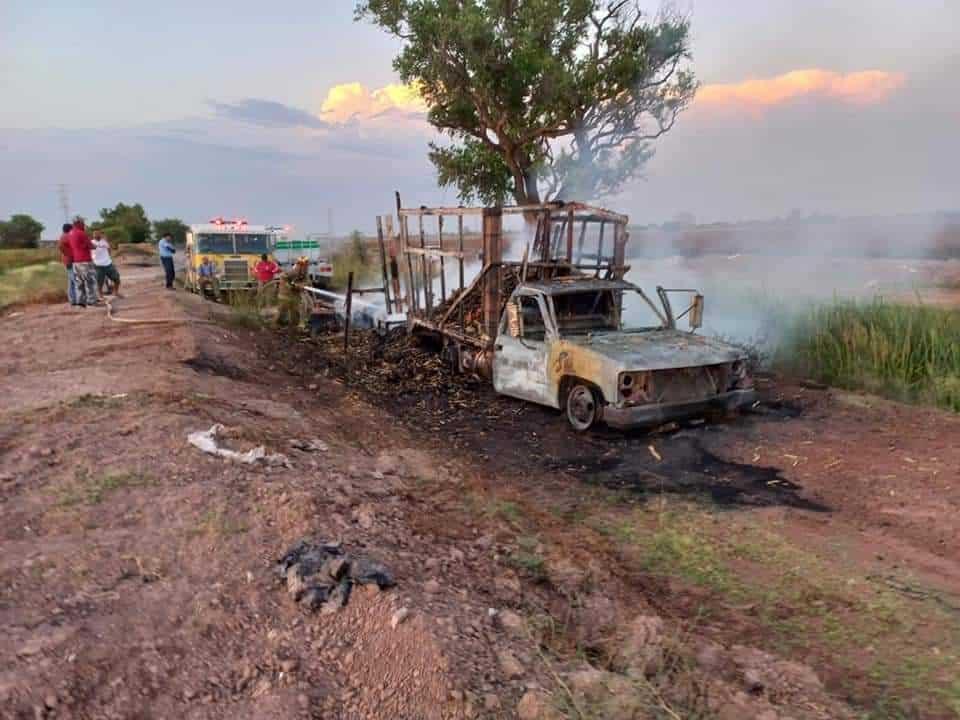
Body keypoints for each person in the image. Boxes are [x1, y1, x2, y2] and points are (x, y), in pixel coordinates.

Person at [68, 219, 98, 307]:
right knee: (90, 281)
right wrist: (94, 246)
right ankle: (91, 300)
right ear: (79, 224)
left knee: (79, 282)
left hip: (76, 262)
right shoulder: (82, 233)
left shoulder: (70, 233)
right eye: (83, 224)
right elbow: (91, 245)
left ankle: (81, 301)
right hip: (85, 261)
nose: (84, 225)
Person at [277, 256, 309, 330]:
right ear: (300, 264)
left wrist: (302, 285)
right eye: (304, 264)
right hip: (286, 291)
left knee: (305, 304)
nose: (306, 266)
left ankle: (301, 323)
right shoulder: (293, 271)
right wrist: (290, 286)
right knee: (284, 308)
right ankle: (279, 322)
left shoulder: (305, 270)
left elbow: (307, 280)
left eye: (306, 264)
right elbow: (282, 277)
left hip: (297, 291)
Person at [92, 230, 122, 298]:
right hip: (98, 265)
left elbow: (109, 249)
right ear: (93, 235)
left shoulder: (104, 241)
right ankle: (101, 295)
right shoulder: (92, 242)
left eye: (98, 233)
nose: (96, 235)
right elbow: (92, 249)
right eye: (95, 234)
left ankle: (116, 292)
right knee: (100, 282)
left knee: (116, 278)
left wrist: (109, 257)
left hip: (108, 263)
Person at [57, 223, 77, 306]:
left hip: (68, 261)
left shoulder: (63, 236)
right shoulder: (66, 236)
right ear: (70, 229)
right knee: (75, 280)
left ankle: (72, 300)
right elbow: (60, 247)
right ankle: (76, 299)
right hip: (70, 261)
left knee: (71, 281)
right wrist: (68, 255)